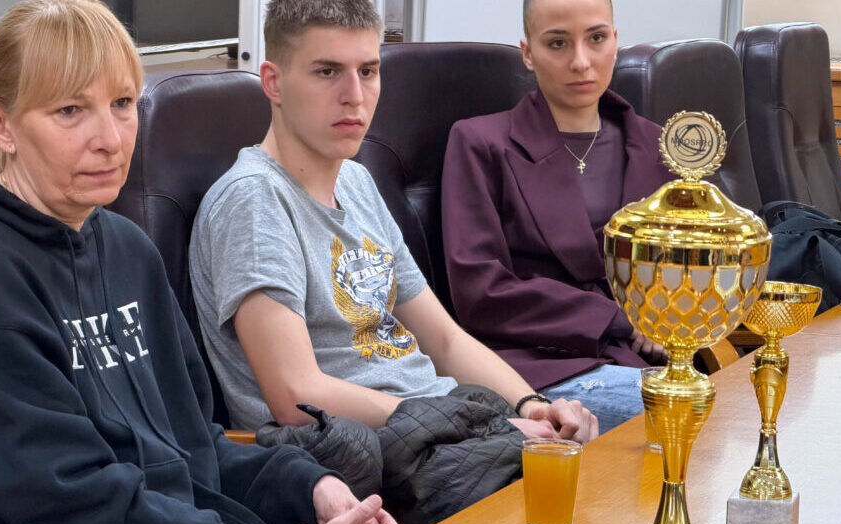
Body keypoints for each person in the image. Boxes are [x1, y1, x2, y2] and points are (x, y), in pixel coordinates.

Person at [0, 2, 401, 524]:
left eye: (121, 104)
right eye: (70, 111)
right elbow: (70, 504)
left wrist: (311, 487)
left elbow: (192, 446)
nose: (111, 139)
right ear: (0, 126)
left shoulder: (125, 248)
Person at [189, 0, 598, 444]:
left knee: (596, 446)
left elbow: (444, 340)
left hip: (442, 431)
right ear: (273, 82)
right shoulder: (253, 199)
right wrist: (478, 427)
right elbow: (295, 396)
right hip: (365, 455)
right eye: (327, 71)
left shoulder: (356, 180)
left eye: (367, 71)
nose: (354, 95)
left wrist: (531, 405)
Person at [440, 0, 673, 433]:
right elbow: (480, 290)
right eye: (558, 43)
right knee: (684, 416)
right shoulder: (481, 142)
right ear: (528, 53)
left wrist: (667, 317)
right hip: (539, 364)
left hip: (646, 359)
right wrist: (620, 319)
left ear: (615, 41)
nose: (581, 61)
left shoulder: (657, 145)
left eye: (596, 38)